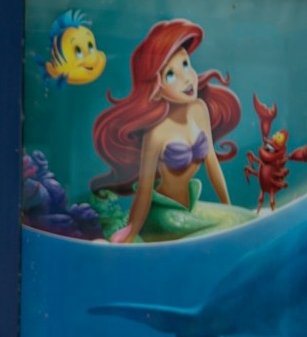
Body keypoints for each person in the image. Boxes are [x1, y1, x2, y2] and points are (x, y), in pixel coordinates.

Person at [90, 18, 240, 243]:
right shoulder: (156, 133)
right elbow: (144, 192)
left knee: (240, 220)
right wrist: (130, 235)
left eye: (186, 64)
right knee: (229, 226)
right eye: (170, 74)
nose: (186, 78)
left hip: (189, 207)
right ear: (156, 88)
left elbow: (212, 164)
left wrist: (229, 208)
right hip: (163, 216)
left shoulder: (199, 109)